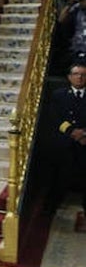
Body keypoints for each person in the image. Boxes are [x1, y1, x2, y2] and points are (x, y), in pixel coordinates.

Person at [51, 62, 86, 232]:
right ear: (69, 77)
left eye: (83, 74)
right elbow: (56, 118)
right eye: (76, 74)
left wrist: (84, 134)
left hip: (85, 143)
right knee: (60, 175)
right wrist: (73, 132)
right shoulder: (59, 95)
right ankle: (50, 210)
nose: (79, 77)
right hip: (66, 141)